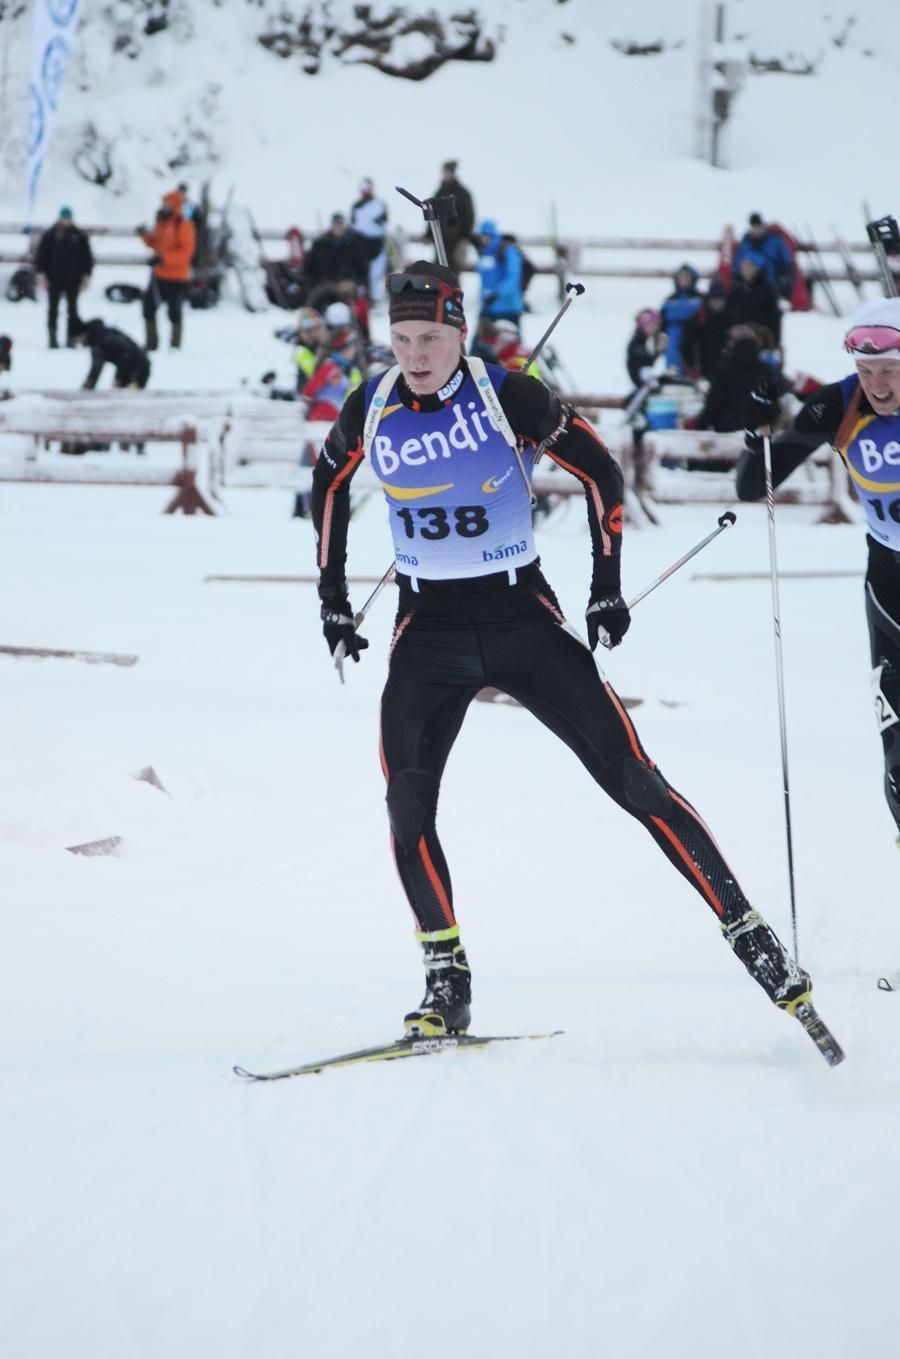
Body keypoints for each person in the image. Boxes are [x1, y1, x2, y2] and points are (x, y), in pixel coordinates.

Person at [310, 258, 812, 1039]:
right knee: (406, 805)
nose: (414, 354)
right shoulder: (370, 406)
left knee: (635, 781)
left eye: (430, 338)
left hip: (522, 621)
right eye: (402, 338)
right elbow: (330, 486)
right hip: (427, 633)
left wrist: (605, 585)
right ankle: (447, 977)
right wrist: (332, 602)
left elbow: (601, 471)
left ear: (459, 332)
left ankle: (750, 934)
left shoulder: (507, 394)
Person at [738, 295, 900, 848]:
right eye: (866, 370)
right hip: (889, 579)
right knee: (897, 732)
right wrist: (757, 430)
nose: (877, 385)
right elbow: (753, 483)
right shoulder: (840, 404)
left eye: (889, 371)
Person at [138, 190, 196, 350]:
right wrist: (144, 235)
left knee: (174, 312)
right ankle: (151, 344)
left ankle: (175, 346)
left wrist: (164, 259)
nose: (164, 207)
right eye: (163, 204)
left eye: (168, 204)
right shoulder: (161, 223)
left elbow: (186, 252)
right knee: (148, 307)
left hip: (177, 277)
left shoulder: (183, 225)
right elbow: (155, 244)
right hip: (159, 275)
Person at [34, 206, 94, 349]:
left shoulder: (79, 236)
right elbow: (41, 257)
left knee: (72, 311)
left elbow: (87, 258)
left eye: (68, 218)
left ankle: (71, 338)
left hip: (73, 279)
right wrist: (41, 274)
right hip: (54, 279)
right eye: (64, 218)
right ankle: (52, 339)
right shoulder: (50, 235)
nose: (66, 221)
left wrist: (86, 276)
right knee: (53, 310)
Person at [72, 318, 151, 391]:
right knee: (122, 395)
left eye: (76, 340)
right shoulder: (98, 337)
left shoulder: (103, 339)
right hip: (133, 367)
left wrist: (118, 378)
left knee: (128, 396)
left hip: (139, 368)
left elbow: (126, 355)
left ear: (81, 334)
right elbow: (96, 367)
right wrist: (88, 385)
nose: (78, 343)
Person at [733, 212, 795, 302]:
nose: (756, 230)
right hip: (749, 287)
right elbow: (737, 266)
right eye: (753, 227)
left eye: (758, 227)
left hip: (771, 285)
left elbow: (787, 263)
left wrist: (782, 283)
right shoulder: (745, 243)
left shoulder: (776, 241)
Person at [475, 219, 524, 326]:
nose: (484, 238)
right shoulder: (484, 253)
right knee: (480, 342)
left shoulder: (508, 252)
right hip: (488, 308)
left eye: (487, 235)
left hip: (508, 309)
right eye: (482, 235)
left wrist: (497, 294)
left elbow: (513, 278)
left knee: (510, 341)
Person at [725, 256, 782, 346]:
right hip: (737, 337)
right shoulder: (735, 290)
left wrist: (775, 342)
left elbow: (774, 316)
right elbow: (728, 313)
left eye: (750, 266)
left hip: (761, 337)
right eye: (743, 266)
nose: (745, 269)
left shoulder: (767, 290)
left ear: (757, 269)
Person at [431, 160, 476, 271]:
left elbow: (469, 215)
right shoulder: (440, 192)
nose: (444, 175)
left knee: (454, 271)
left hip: (457, 240)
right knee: (438, 270)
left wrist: (465, 236)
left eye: (445, 172)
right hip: (440, 238)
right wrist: (429, 234)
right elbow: (432, 212)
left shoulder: (463, 193)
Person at [350, 178, 389, 303]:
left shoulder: (379, 204)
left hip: (377, 244)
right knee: (361, 272)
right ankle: (363, 298)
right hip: (360, 244)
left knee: (376, 273)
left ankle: (376, 298)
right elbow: (354, 224)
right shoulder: (356, 206)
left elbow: (383, 222)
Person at [659, 265, 703, 375]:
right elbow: (662, 321)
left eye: (687, 277)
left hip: (694, 336)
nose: (684, 280)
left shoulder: (700, 298)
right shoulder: (670, 299)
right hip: (673, 338)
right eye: (681, 277)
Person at [626, 307, 668, 389]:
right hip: (639, 385)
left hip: (644, 382)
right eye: (650, 325)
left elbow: (650, 363)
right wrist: (658, 351)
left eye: (656, 324)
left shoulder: (649, 339)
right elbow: (645, 361)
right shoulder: (636, 342)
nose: (654, 328)